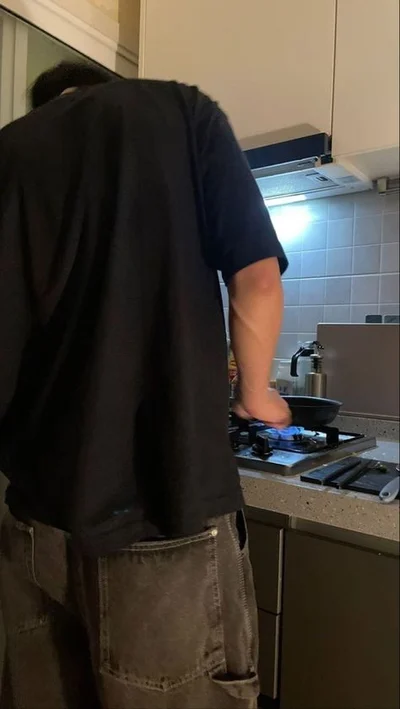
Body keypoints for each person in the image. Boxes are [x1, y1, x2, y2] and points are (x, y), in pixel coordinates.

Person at [0, 61, 290, 709]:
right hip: (164, 510)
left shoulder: (12, 151)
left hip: (33, 520)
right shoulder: (182, 115)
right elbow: (256, 277)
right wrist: (257, 391)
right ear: (111, 89)